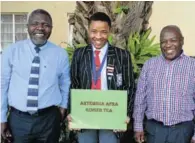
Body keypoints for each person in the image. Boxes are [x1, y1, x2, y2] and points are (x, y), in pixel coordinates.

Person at [1, 9, 70, 143]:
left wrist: (63, 107)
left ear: (51, 28)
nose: (40, 28)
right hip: (19, 121)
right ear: (27, 27)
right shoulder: (12, 51)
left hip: (49, 120)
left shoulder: (60, 54)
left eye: (46, 24)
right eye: (35, 23)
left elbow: (65, 83)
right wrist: (1, 118)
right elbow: (2, 85)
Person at [67, 12, 135, 143]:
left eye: (103, 32)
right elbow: (74, 84)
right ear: (88, 30)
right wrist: (72, 112)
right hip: (85, 114)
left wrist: (126, 113)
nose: (98, 36)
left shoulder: (122, 55)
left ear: (109, 31)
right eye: (94, 31)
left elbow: (130, 87)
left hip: (111, 114)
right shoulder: (79, 54)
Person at [133, 25, 195, 143]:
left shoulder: (192, 66)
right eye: (163, 42)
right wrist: (138, 126)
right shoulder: (149, 65)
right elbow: (140, 98)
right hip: (154, 131)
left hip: (182, 131)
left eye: (173, 40)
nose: (168, 45)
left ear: (182, 41)